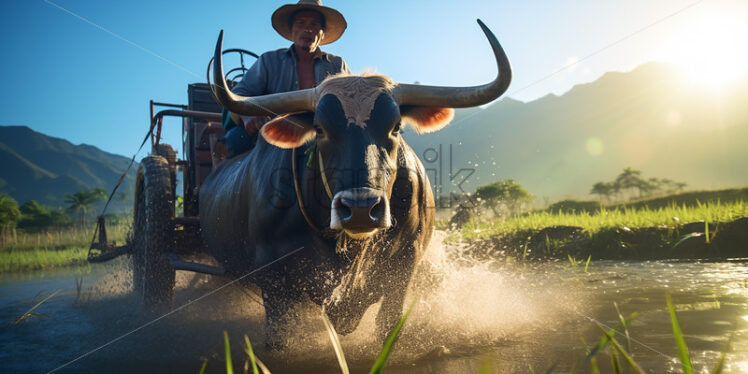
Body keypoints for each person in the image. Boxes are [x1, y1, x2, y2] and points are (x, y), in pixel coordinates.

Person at [222, 0, 350, 157]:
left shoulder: (337, 65)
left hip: (325, 133)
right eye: (301, 23)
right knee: (236, 140)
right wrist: (248, 117)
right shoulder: (269, 61)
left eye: (314, 25)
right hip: (276, 131)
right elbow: (240, 93)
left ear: (322, 33)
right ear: (292, 29)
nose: (307, 29)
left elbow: (353, 99)